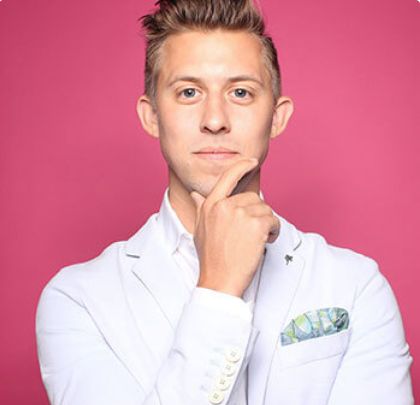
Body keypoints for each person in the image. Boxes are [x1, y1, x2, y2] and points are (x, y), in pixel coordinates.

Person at [35, 0, 414, 404]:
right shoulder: (78, 300)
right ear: (151, 116)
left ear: (277, 117)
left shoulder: (356, 286)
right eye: (188, 92)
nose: (215, 120)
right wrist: (218, 290)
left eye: (240, 92)